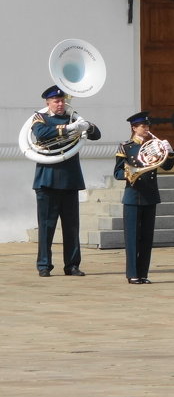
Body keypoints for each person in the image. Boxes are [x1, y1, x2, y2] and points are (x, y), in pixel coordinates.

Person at [31, 84, 101, 278]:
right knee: (46, 226)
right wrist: (67, 128)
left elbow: (96, 135)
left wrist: (87, 125)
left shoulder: (73, 116)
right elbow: (41, 133)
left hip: (70, 179)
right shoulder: (41, 118)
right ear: (48, 102)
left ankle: (72, 265)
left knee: (71, 226)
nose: (60, 104)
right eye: (56, 101)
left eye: (62, 100)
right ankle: (44, 265)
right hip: (47, 179)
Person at [114, 111, 174, 284]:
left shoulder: (155, 145)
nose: (146, 129)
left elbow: (168, 166)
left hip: (150, 195)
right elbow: (117, 172)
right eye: (143, 126)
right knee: (132, 237)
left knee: (147, 238)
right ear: (134, 128)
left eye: (147, 126)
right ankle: (132, 273)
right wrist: (130, 174)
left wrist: (169, 152)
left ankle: (143, 273)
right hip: (133, 195)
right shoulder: (126, 147)